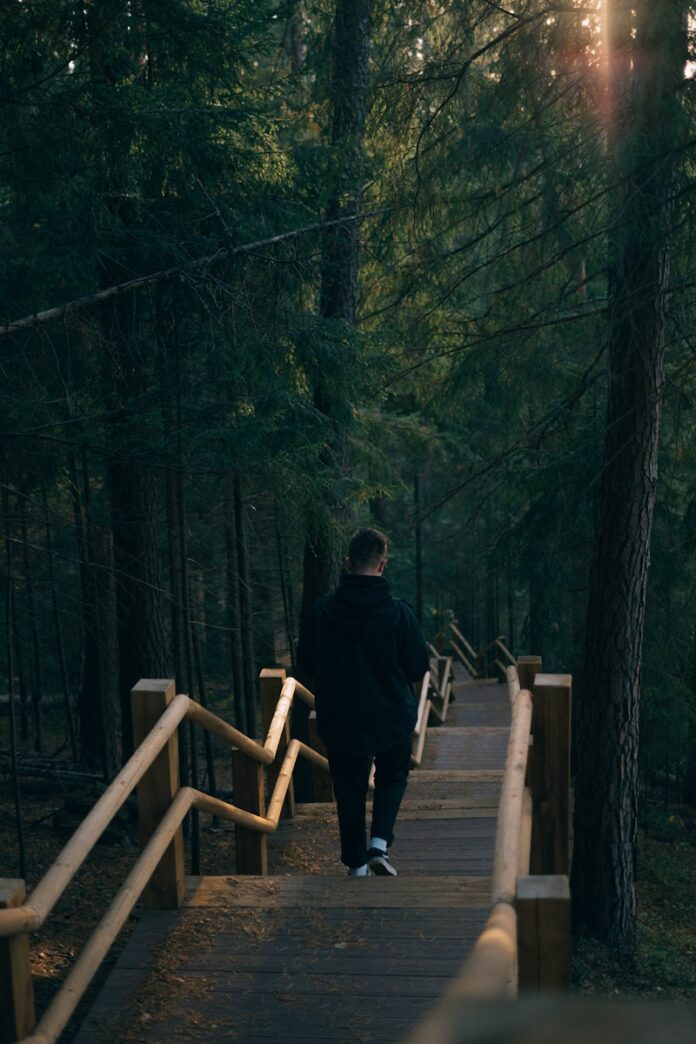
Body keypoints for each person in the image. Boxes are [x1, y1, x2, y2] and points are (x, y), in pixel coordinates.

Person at [297, 527, 429, 877]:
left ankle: (356, 864)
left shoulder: (323, 611)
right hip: (391, 714)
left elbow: (306, 665)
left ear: (348, 562)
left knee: (349, 787)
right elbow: (418, 665)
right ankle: (379, 845)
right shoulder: (400, 614)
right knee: (393, 775)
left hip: (340, 717)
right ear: (382, 565)